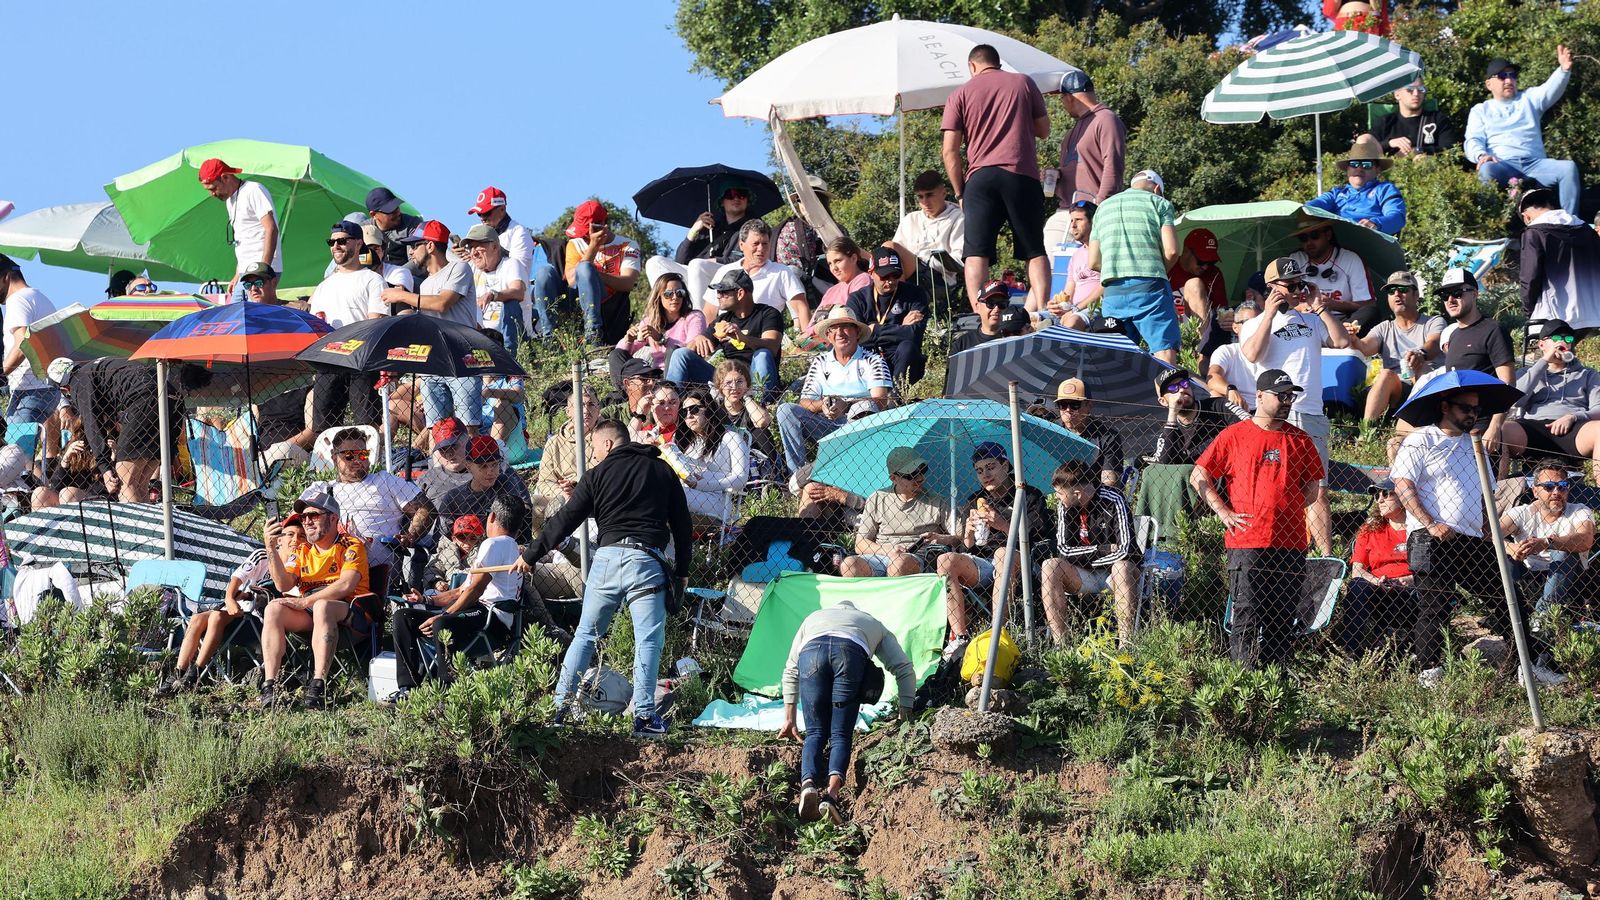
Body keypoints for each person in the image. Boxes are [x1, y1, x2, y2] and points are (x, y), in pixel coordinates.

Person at [516, 418, 692, 738]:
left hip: (607, 560)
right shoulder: (662, 470)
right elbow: (682, 525)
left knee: (585, 635)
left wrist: (530, 555)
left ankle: (559, 709)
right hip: (646, 561)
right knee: (647, 639)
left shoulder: (596, 475)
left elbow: (565, 519)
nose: (594, 455)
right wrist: (681, 572)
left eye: (595, 448)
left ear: (608, 444)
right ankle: (644, 717)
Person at [1191, 370, 1324, 669]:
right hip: (1247, 540)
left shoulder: (1300, 439)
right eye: (1281, 395)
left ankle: (1276, 677)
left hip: (1290, 542)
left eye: (1291, 396)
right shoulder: (1234, 435)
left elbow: (1312, 490)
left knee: (1283, 615)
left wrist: (1284, 507)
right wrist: (1223, 512)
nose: (1287, 401)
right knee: (1247, 612)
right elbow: (1198, 474)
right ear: (1260, 396)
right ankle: (1244, 676)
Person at [1391, 385, 1507, 687]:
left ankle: (1527, 663)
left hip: (1472, 539)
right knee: (1436, 605)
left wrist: (1487, 526)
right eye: (1466, 408)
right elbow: (1403, 485)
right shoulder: (1421, 439)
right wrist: (1430, 523)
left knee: (1508, 598)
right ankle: (1429, 671)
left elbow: (1486, 491)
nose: (1472, 415)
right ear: (1445, 407)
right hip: (1431, 537)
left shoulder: (1474, 445)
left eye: (1476, 410)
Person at [1240, 257, 1350, 555]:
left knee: (1318, 490)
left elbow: (1342, 341)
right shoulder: (1252, 324)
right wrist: (1268, 314)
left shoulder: (1311, 320)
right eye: (1291, 285)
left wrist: (1320, 307)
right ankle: (1278, 549)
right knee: (1275, 487)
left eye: (1301, 283)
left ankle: (1325, 557)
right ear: (1272, 287)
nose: (1298, 290)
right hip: (1273, 414)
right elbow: (1252, 354)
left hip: (1310, 411)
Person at [778, 600, 917, 825]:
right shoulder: (872, 623)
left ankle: (808, 785)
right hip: (849, 654)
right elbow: (904, 668)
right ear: (856, 612)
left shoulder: (812, 619)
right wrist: (906, 711)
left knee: (815, 732)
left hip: (811, 654)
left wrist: (789, 719)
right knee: (840, 735)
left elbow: (791, 670)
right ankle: (831, 798)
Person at [940, 44, 1052, 312]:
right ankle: (1042, 312)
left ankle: (980, 314)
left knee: (976, 252)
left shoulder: (959, 94)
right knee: (1034, 249)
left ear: (972, 66)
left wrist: (960, 192)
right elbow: (1044, 130)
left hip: (980, 178)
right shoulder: (1023, 82)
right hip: (1020, 174)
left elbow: (949, 151)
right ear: (998, 63)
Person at [389, 498, 527, 702]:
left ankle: (447, 694)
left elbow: (476, 590)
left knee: (443, 624)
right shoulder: (508, 547)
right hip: (477, 615)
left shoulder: (495, 544)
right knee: (404, 617)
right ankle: (407, 689)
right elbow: (462, 590)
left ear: (492, 517)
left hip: (491, 621)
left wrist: (444, 615)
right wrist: (427, 599)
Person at [155, 517, 305, 697]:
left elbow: (287, 595)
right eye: (290, 534)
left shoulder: (298, 563)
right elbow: (238, 577)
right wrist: (229, 598)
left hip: (260, 622)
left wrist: (250, 596)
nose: (296, 540)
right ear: (278, 539)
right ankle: (178, 674)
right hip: (241, 612)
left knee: (217, 616)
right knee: (197, 618)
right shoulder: (262, 555)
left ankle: (194, 675)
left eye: (301, 536)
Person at [258, 486, 372, 709]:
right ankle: (270, 686)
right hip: (312, 613)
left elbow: (346, 584)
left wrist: (305, 602)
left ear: (333, 518)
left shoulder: (351, 545)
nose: (307, 522)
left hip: (350, 612)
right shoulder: (302, 551)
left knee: (322, 606)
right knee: (273, 608)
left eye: (313, 515)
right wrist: (270, 548)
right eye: (304, 517)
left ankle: (318, 686)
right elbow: (283, 584)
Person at [933, 442, 1048, 660]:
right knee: (946, 560)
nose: (985, 475)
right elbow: (967, 548)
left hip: (1021, 560)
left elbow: (1038, 536)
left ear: (1005, 466)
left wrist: (1003, 524)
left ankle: (996, 633)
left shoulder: (1029, 495)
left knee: (1002, 553)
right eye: (979, 470)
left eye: (991, 467)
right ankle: (960, 637)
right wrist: (967, 534)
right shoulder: (974, 500)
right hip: (984, 562)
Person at [383, 221, 481, 433]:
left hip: (462, 359)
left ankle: (472, 456)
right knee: (436, 429)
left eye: (414, 245)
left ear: (430, 246)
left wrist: (401, 296)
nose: (410, 252)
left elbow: (442, 303)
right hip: (434, 362)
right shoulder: (426, 283)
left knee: (468, 427)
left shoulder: (459, 268)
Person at [47, 356, 185, 503]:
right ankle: (147, 516)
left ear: (65, 389)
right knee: (140, 484)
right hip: (171, 396)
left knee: (126, 480)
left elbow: (92, 424)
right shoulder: (95, 369)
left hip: (145, 398)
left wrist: (105, 468)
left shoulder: (80, 382)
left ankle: (132, 518)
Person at [777, 307, 892, 478]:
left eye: (845, 327)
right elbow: (805, 401)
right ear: (828, 335)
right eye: (834, 328)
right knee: (785, 410)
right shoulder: (820, 361)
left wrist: (846, 405)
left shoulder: (874, 360)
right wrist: (822, 405)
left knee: (863, 407)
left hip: (861, 426)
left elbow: (880, 401)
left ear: (857, 332)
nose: (840, 333)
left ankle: (861, 468)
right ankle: (797, 476)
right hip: (827, 424)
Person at [322, 427, 436, 597]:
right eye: (349, 456)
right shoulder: (323, 488)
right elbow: (297, 523)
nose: (357, 460)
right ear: (334, 457)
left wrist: (410, 536)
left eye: (362, 455)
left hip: (376, 570)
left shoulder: (384, 480)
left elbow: (426, 509)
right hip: (330, 562)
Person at [1466, 48, 1581, 215]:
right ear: (1488, 84)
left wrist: (1563, 70)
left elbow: (1550, 89)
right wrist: (1481, 155)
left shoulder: (1529, 99)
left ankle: (1569, 224)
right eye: (1502, 76)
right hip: (1503, 164)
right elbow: (1473, 139)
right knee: (1486, 170)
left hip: (1536, 164)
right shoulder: (1481, 110)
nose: (1509, 80)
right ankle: (1492, 224)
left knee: (1568, 168)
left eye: (1512, 75)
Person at [1086, 169, 1181, 364]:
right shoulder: (1159, 202)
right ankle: (1168, 385)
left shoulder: (1102, 208)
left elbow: (1093, 261)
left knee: (1117, 358)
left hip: (1113, 293)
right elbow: (1172, 251)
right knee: (1164, 351)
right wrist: (1157, 270)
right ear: (1157, 189)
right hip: (1151, 288)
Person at [1041, 460, 1140, 645]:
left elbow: (1126, 550)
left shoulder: (1114, 499)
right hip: (1083, 574)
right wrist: (1102, 549)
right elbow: (1063, 551)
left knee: (1122, 567)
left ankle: (1126, 644)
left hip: (1114, 574)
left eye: (1059, 494)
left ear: (1077, 494)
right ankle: (1061, 645)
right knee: (1050, 566)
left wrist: (1082, 556)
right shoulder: (1065, 507)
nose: (1057, 498)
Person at [309, 221, 386, 434]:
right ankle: (331, 458)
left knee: (367, 426)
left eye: (342, 241)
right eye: (332, 242)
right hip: (328, 360)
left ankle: (371, 457)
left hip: (361, 360)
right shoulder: (324, 286)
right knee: (323, 429)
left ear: (359, 243)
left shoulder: (373, 280)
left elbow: (375, 323)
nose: (336, 246)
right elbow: (316, 324)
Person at [1501, 459, 1595, 632]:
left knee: (1563, 552)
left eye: (1562, 486)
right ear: (1535, 491)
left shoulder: (1580, 510)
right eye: (1549, 486)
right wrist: (1511, 548)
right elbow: (1491, 535)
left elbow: (1586, 539)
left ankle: (1542, 616)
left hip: (1568, 578)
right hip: (1528, 577)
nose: (1556, 492)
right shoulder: (1523, 512)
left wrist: (1548, 542)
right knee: (1505, 556)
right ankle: (1511, 614)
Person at [665, 268, 782, 396]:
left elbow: (772, 346)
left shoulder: (767, 314)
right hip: (728, 382)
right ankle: (670, 399)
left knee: (762, 354)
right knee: (680, 354)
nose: (718, 296)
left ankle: (760, 403)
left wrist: (742, 338)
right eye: (718, 292)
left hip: (755, 380)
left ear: (740, 293)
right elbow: (692, 349)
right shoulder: (722, 320)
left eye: (723, 291)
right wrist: (698, 339)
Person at [840, 447, 954, 578]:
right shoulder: (878, 498)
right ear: (893, 478)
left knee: (898, 563)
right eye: (912, 474)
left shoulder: (937, 501)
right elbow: (860, 544)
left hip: (916, 557)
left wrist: (942, 538)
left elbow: (960, 539)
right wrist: (888, 550)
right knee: (849, 564)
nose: (920, 478)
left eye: (922, 470)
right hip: (882, 555)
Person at [1500, 320, 1600, 467]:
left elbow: (1598, 409)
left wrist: (1574, 417)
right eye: (1557, 338)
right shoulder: (1527, 373)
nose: (1563, 342)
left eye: (1568, 339)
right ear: (1542, 345)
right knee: (1501, 431)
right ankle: (1498, 482)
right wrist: (1544, 362)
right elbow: (1515, 400)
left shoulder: (1588, 374)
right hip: (1535, 428)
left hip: (1573, 429)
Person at [1437, 267, 1515, 454]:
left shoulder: (1493, 330)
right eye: (1445, 295)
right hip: (1454, 426)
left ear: (1474, 294)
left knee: (1483, 474)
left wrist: (1495, 426)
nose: (1450, 299)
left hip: (1482, 425)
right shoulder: (1453, 335)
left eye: (1457, 292)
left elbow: (1507, 383)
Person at [1353, 271, 1444, 424]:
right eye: (1391, 291)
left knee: (1422, 368)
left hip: (1429, 389)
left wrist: (1420, 354)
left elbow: (1434, 343)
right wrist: (1352, 338)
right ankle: (1367, 432)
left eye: (1403, 289)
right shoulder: (1384, 328)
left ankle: (1426, 421)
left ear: (1416, 295)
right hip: (1397, 390)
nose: (1397, 294)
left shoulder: (1433, 322)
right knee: (1385, 374)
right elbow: (1365, 347)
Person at [647, 182, 758, 306]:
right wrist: (693, 230)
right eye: (730, 195)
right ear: (722, 201)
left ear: (748, 200)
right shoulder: (709, 227)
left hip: (730, 278)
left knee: (697, 264)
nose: (736, 198)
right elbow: (681, 260)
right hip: (697, 276)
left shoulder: (752, 228)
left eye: (742, 194)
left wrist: (715, 260)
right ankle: (664, 311)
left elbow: (748, 260)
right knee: (655, 262)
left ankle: (698, 315)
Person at [1342, 480, 1417, 654]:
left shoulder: (1419, 529)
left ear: (1404, 495)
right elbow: (1358, 570)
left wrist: (1406, 580)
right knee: (1357, 586)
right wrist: (1376, 581)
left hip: (1411, 587)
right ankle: (1353, 652)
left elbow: (1433, 571)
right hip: (1378, 587)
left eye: (1386, 493)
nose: (1380, 500)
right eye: (1377, 496)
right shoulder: (1369, 530)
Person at [701, 219, 810, 332]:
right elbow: (709, 311)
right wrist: (708, 338)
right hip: (725, 337)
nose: (761, 249)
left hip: (765, 337)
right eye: (755, 244)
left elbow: (801, 307)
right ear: (741, 245)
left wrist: (807, 337)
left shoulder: (781, 273)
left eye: (765, 244)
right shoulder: (724, 271)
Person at [1518, 187, 1600, 332]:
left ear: (1526, 217)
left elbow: (1530, 277)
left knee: (1545, 348)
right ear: (1551, 206)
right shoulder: (1587, 230)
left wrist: (1528, 310)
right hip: (1594, 315)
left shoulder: (1534, 233)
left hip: (1554, 320)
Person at [198, 158, 281, 301]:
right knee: (237, 312)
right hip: (246, 271)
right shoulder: (230, 200)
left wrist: (264, 270)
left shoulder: (253, 190)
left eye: (213, 188)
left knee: (249, 314)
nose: (212, 194)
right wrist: (237, 274)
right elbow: (243, 239)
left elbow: (271, 228)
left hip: (261, 269)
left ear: (225, 177)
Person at [663, 388, 749, 523]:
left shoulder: (731, 438)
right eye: (684, 412)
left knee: (666, 493)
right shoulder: (684, 442)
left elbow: (741, 479)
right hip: (684, 492)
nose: (689, 415)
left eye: (694, 409)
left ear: (709, 409)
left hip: (717, 500)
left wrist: (702, 485)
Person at [846, 247, 930, 382]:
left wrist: (874, 329)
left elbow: (915, 334)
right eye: (884, 276)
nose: (890, 281)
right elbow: (857, 338)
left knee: (908, 347)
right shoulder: (857, 299)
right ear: (871, 273)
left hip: (901, 358)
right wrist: (901, 327)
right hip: (868, 358)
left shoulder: (915, 294)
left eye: (895, 275)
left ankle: (897, 393)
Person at [564, 199, 641, 344]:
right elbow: (572, 281)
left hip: (611, 306)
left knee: (585, 268)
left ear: (601, 225)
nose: (583, 236)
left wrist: (594, 275)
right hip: (579, 304)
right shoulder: (575, 244)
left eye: (585, 231)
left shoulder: (628, 245)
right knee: (583, 268)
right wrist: (593, 247)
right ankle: (590, 331)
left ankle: (594, 334)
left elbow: (627, 283)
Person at [611, 273, 704, 387]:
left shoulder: (694, 317)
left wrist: (661, 339)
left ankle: (670, 391)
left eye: (680, 293)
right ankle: (626, 393)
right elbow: (622, 351)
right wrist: (629, 340)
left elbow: (690, 351)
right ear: (658, 296)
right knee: (616, 354)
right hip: (655, 373)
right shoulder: (650, 321)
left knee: (674, 351)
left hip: (683, 374)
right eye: (669, 294)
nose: (675, 297)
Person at [436, 435, 534, 543]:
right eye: (483, 466)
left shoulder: (506, 483)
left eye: (494, 464)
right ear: (468, 466)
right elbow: (443, 539)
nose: (490, 471)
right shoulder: (453, 498)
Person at [1287, 219, 1378, 335]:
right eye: (1303, 238)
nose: (1309, 243)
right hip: (1304, 320)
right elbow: (1281, 298)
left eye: (1314, 236)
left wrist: (1333, 304)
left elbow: (1368, 304)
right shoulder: (1295, 259)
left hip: (1340, 322)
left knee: (1371, 312)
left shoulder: (1350, 259)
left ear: (1328, 235)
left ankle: (1339, 335)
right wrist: (1300, 307)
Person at [1305, 136, 1407, 236]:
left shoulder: (1385, 190)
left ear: (1377, 170)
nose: (1359, 169)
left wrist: (1376, 224)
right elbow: (1311, 207)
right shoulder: (1336, 193)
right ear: (1348, 169)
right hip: (1339, 241)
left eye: (1366, 164)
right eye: (1354, 164)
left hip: (1369, 240)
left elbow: (1397, 217)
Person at [887, 171, 965, 300]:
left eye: (929, 195)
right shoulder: (911, 219)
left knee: (890, 248)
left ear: (943, 193)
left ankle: (896, 301)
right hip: (908, 274)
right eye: (920, 197)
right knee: (864, 254)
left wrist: (924, 260)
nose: (925, 202)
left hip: (940, 279)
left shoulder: (958, 218)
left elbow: (960, 260)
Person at [1054, 69, 1126, 205]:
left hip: (1094, 208)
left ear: (1069, 98)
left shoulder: (1106, 119)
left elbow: (1113, 164)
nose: (1063, 104)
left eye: (1061, 98)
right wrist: (1057, 175)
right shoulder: (1073, 131)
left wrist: (1101, 203)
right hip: (1068, 208)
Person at [0, 254, 58, 424]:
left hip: (29, 390)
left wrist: (1, 373)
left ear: (5, 277)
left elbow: (23, 342)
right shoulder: (38, 297)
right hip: (46, 388)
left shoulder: (17, 300)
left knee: (18, 441)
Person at [534, 382, 600, 526]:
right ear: (568, 411)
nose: (586, 410)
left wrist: (577, 487)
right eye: (580, 405)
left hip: (596, 495)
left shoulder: (607, 437)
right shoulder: (554, 442)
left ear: (598, 408)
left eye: (591, 405)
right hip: (563, 496)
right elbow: (544, 481)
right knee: (536, 502)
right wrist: (563, 493)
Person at [462, 222, 528, 352]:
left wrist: (493, 295)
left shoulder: (510, 264)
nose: (474, 253)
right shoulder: (470, 269)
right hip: (482, 337)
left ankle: (511, 356)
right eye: (471, 248)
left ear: (495, 247)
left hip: (512, 335)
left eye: (478, 246)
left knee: (511, 303)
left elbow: (518, 291)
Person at [799, 237, 872, 350]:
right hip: (818, 341)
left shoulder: (863, 280)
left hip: (842, 342)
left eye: (838, 261)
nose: (834, 268)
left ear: (853, 258)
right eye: (830, 263)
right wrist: (803, 339)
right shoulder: (831, 291)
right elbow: (813, 324)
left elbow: (850, 317)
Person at [1170, 228, 1229, 368]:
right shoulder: (1169, 268)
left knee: (1195, 284)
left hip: (1204, 332)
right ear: (1186, 251)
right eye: (1201, 261)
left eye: (1211, 262)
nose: (1206, 267)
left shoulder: (1214, 274)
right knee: (1194, 284)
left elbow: (1222, 311)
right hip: (1172, 328)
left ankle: (1203, 351)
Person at [468, 185, 537, 302]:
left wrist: (488, 252)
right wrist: (468, 255)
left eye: (487, 213)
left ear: (502, 209)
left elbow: (519, 272)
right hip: (482, 297)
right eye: (479, 214)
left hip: (509, 300)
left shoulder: (518, 232)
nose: (482, 218)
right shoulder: (477, 230)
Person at [1054, 379, 1124, 488]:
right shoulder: (1052, 430)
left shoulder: (1107, 436)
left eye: (1075, 404)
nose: (1068, 410)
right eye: (1062, 404)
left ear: (1089, 405)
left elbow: (1110, 483)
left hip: (1092, 494)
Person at [1152, 368, 1231, 465]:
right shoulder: (1168, 431)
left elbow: (1247, 425)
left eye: (1184, 383)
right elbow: (1161, 467)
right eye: (1173, 388)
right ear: (1163, 401)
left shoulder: (1219, 405)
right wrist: (1173, 413)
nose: (1182, 390)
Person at [714, 359, 777, 471]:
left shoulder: (752, 405)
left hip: (750, 453)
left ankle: (769, 473)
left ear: (747, 384)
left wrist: (747, 398)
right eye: (728, 383)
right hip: (724, 456)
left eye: (739, 381)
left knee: (761, 433)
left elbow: (762, 422)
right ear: (720, 387)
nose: (734, 387)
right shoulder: (716, 409)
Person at [1047, 200, 1101, 330]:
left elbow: (1104, 287)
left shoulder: (1104, 250)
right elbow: (1068, 293)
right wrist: (1056, 305)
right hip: (1074, 309)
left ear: (1093, 222)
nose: (1073, 225)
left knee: (1072, 322)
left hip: (1095, 308)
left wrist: (1076, 309)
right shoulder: (1076, 255)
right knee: (1033, 318)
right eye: (1072, 220)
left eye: (1079, 220)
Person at [1372, 79, 1458, 158]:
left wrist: (1420, 151)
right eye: (1410, 89)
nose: (1416, 93)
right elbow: (1368, 149)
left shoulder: (1437, 119)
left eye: (1421, 89)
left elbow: (1450, 149)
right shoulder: (1385, 122)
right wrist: (1389, 143)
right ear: (1397, 94)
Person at [1207, 300, 1261, 414]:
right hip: (1238, 410)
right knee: (1214, 393)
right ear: (1235, 327)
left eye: (1258, 321)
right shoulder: (1227, 351)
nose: (1254, 326)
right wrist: (1230, 390)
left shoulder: (1273, 349)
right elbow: (1213, 377)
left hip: (1265, 410)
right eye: (1247, 322)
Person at [951, 281, 1031, 354]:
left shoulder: (1015, 337)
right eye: (991, 303)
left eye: (1002, 304)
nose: (996, 309)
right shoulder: (963, 343)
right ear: (978, 306)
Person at [365, 186, 424, 267]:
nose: (397, 212)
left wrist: (396, 273)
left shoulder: (412, 224)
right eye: (390, 211)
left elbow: (417, 261)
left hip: (406, 273)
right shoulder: (363, 230)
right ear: (373, 214)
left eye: (397, 207)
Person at [632, 381, 682, 446]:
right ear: (651, 406)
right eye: (661, 403)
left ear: (679, 404)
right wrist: (639, 413)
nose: (667, 408)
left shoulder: (688, 431)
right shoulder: (647, 431)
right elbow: (625, 442)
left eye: (672, 403)